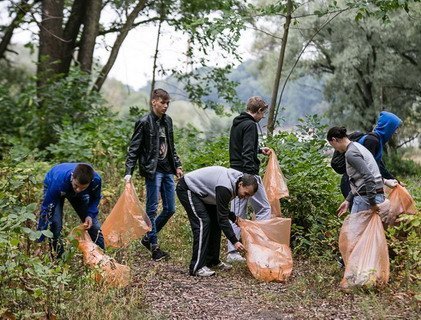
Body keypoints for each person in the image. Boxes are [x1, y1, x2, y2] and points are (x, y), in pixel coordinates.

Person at [124, 88, 183, 261]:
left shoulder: (168, 121)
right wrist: (129, 172)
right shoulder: (144, 122)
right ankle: (155, 247)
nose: (165, 106)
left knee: (170, 208)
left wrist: (177, 165)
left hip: (167, 171)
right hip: (153, 170)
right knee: (151, 208)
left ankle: (147, 237)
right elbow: (134, 148)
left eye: (167, 103)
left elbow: (171, 146)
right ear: (154, 102)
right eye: (162, 103)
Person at [176, 166, 257, 276]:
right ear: (240, 184)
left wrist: (234, 218)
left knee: (215, 224)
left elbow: (221, 208)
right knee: (202, 222)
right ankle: (197, 267)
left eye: (249, 196)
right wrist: (235, 241)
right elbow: (222, 218)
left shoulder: (235, 183)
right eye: (246, 193)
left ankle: (212, 261)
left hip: (205, 195)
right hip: (188, 188)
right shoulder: (226, 187)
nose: (245, 197)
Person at [227, 96, 272, 262]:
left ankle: (244, 246)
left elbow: (243, 147)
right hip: (245, 174)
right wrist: (249, 178)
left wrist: (259, 150)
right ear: (259, 110)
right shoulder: (251, 125)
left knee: (246, 210)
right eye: (263, 113)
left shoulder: (238, 122)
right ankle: (237, 250)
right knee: (247, 211)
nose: (263, 117)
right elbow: (246, 153)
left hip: (238, 171)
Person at [37, 163, 104, 258]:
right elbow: (47, 208)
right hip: (55, 184)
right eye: (76, 185)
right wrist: (40, 236)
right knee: (55, 225)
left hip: (72, 190)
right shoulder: (58, 181)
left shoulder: (96, 180)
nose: (78, 190)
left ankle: (103, 258)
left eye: (83, 187)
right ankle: (59, 260)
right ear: (72, 176)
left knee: (94, 226)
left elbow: (95, 198)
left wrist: (90, 214)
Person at [331, 111, 402, 199]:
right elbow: (368, 169)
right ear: (387, 127)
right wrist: (386, 182)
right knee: (361, 212)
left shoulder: (377, 141)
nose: (395, 132)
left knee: (366, 212)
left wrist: (397, 182)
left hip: (359, 184)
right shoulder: (372, 141)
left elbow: (380, 167)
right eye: (394, 128)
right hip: (352, 184)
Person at [327, 127, 386, 216]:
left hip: (365, 198)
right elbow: (359, 180)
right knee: (368, 230)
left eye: (333, 146)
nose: (336, 150)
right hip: (376, 194)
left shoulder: (351, 153)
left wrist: (372, 203)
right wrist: (348, 200)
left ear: (334, 140)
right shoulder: (357, 146)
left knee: (354, 229)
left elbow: (369, 177)